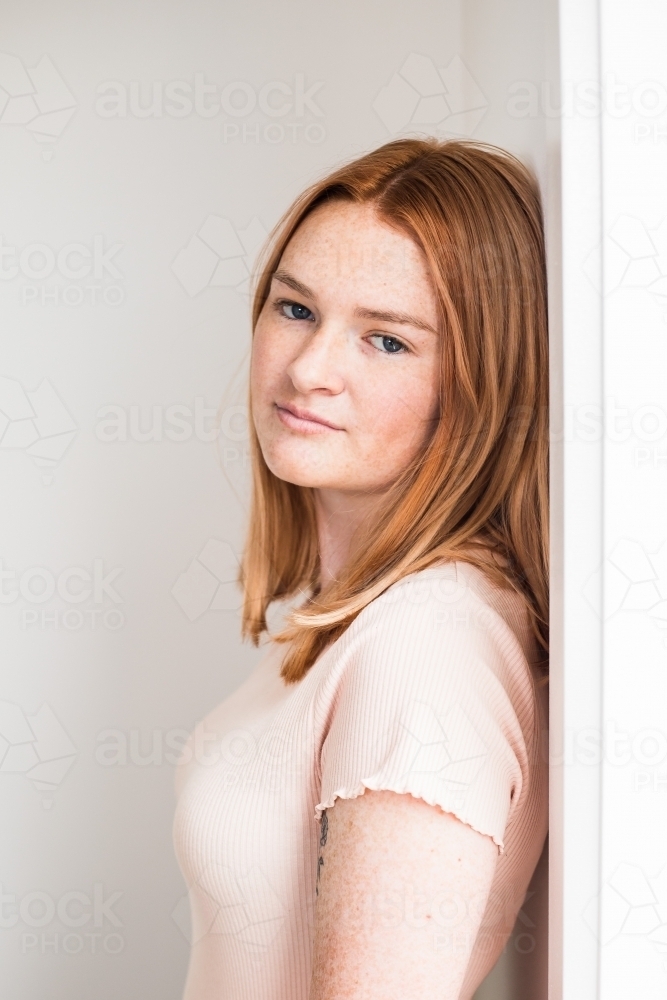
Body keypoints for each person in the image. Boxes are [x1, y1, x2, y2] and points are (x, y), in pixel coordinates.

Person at [173, 137, 549, 1000]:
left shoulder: (428, 642)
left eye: (385, 341)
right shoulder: (363, 618)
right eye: (295, 310)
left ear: (479, 386)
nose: (308, 371)